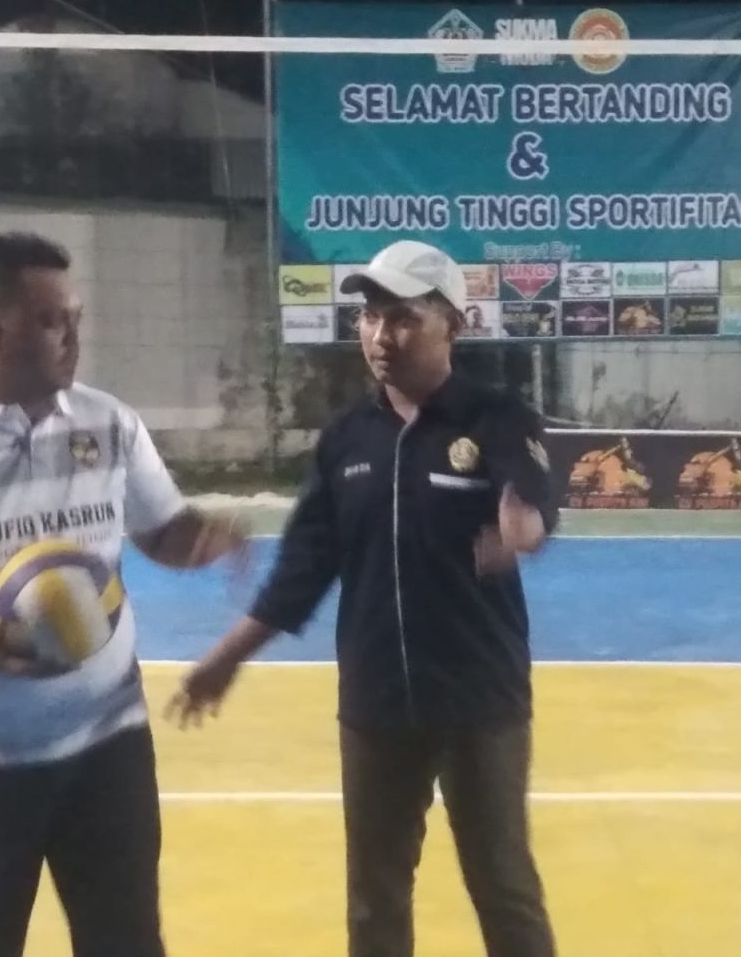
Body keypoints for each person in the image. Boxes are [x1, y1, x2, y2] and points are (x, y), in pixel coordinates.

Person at [0, 232, 248, 957]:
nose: (74, 338)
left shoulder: (108, 423)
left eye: (76, 318)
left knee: (126, 943)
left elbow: (161, 531)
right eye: (52, 321)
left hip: (109, 748)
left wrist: (204, 538)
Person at [167, 239, 559, 957]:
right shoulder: (347, 439)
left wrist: (521, 530)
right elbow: (304, 566)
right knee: (375, 897)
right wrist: (228, 657)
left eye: (404, 317)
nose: (382, 335)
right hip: (376, 705)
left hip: (480, 700)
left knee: (503, 884)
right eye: (371, 317)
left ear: (453, 324)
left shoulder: (495, 417)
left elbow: (530, 498)